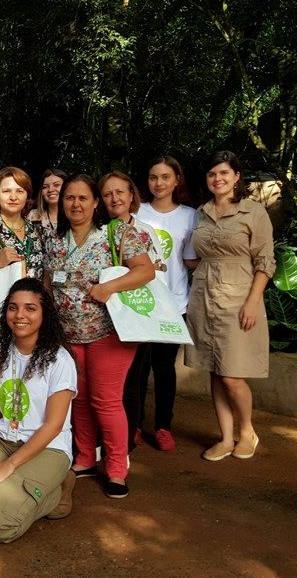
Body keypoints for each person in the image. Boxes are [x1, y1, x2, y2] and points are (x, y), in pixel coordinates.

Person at [42, 174, 154, 498]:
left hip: (109, 333)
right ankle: (86, 457)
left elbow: (145, 270)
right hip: (68, 335)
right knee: (77, 398)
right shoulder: (55, 239)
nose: (75, 204)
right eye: (69, 198)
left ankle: (117, 468)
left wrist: (109, 287)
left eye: (82, 198)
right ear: (62, 203)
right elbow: (49, 283)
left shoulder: (115, 235)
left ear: (95, 202)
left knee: (105, 401)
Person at [0, 278, 77, 543]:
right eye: (13, 307)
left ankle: (59, 487)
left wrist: (8, 467)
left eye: (30, 308)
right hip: (5, 441)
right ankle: (24, 489)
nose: (20, 315)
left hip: (47, 447)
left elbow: (54, 426)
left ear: (45, 314)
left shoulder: (59, 360)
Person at [186, 151, 274, 462]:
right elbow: (195, 252)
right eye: (212, 174)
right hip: (203, 296)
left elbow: (266, 262)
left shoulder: (254, 212)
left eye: (224, 173)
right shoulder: (201, 212)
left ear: (236, 176)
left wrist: (253, 302)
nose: (218, 179)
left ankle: (247, 430)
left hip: (239, 297)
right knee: (214, 370)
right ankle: (225, 437)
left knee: (232, 375)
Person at [120, 157, 199, 452]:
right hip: (140, 303)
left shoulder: (191, 216)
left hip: (174, 302)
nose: (159, 183)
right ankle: (135, 423)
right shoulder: (137, 212)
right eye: (153, 177)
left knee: (165, 368)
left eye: (166, 177)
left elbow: (190, 259)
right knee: (136, 369)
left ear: (177, 180)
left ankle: (164, 426)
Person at [98, 170, 165, 452]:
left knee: (133, 379)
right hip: (102, 315)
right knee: (104, 382)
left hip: (136, 313)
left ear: (131, 195)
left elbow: (155, 270)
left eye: (120, 192)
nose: (114, 198)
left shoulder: (144, 231)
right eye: (107, 193)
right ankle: (104, 438)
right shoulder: (97, 230)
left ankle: (127, 439)